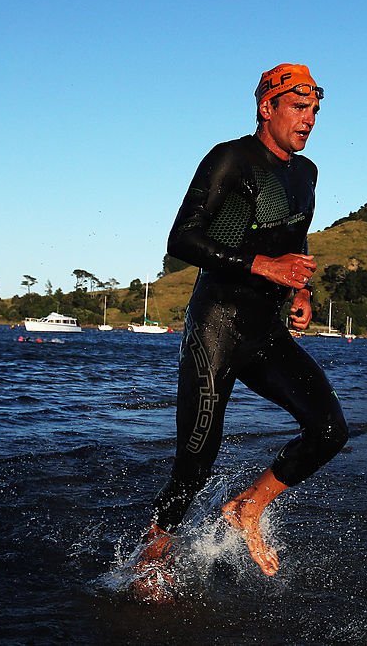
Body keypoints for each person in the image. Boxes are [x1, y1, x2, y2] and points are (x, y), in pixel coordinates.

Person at [136, 63, 347, 587]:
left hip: (264, 330)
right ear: (266, 107)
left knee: (328, 430)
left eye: (315, 110)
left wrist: (299, 288)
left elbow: (293, 242)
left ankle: (249, 506)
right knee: (195, 465)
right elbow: (181, 239)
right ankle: (147, 563)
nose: (310, 120)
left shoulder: (306, 174)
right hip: (216, 326)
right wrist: (265, 267)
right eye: (300, 108)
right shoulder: (230, 158)